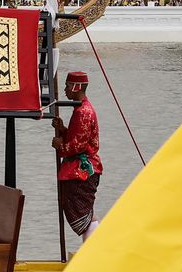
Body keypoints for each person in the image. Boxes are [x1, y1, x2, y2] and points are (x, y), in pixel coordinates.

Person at [53, 70, 102, 239]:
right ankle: (91, 248)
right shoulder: (81, 110)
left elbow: (79, 145)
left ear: (76, 87)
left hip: (82, 169)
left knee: (82, 214)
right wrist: (63, 130)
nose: (65, 89)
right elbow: (78, 137)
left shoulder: (83, 112)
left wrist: (61, 146)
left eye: (67, 86)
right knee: (82, 212)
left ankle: (93, 250)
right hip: (82, 167)